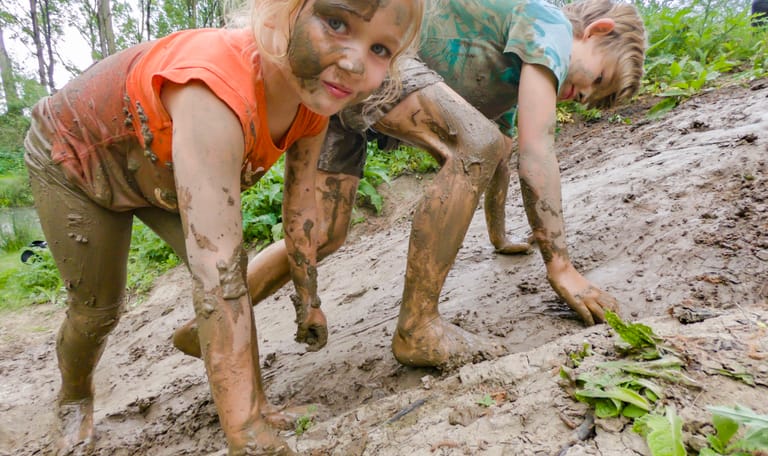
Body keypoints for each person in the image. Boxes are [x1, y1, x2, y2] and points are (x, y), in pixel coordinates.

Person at [23, 0, 423, 454]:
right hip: (78, 160)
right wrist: (247, 438)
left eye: (380, 49)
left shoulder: (314, 100)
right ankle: (74, 396)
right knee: (98, 309)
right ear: (280, 14)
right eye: (335, 24)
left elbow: (302, 208)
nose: (354, 63)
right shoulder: (213, 89)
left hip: (160, 167)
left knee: (235, 273)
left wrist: (309, 300)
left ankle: (255, 405)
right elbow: (217, 276)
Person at [173, 0, 646, 368]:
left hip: (348, 87)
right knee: (475, 143)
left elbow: (502, 153)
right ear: (595, 31)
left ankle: (206, 326)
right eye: (596, 78)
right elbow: (534, 150)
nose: (581, 95)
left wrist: (500, 237)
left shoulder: (511, 74)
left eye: (589, 99)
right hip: (378, 61)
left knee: (326, 233)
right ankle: (418, 326)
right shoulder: (550, 25)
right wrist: (560, 265)